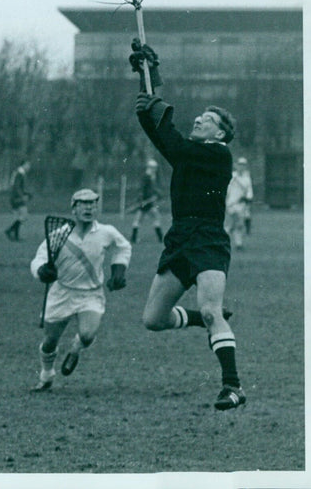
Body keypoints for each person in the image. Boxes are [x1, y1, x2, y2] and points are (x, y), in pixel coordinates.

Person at [131, 42, 245, 411]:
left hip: (209, 238)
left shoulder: (218, 154)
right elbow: (163, 137)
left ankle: (232, 386)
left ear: (220, 133)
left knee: (213, 310)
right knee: (153, 319)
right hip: (180, 238)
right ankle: (201, 319)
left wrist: (159, 106)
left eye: (207, 120)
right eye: (198, 117)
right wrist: (149, 79)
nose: (198, 120)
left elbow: (173, 141)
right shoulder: (192, 152)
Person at [30, 188, 131, 391]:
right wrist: (42, 271)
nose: (89, 208)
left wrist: (118, 271)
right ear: (73, 208)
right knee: (50, 342)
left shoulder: (106, 232)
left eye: (93, 204)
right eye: (83, 204)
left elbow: (123, 247)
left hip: (91, 293)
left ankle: (76, 348)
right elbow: (39, 259)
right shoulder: (58, 235)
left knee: (87, 335)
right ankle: (47, 374)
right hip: (62, 292)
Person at [130, 159, 163, 244]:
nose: (155, 169)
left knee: (139, 219)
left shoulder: (151, 176)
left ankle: (134, 238)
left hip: (148, 202)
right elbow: (141, 189)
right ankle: (160, 238)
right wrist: (141, 200)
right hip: (145, 202)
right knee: (154, 217)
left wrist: (156, 194)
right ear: (150, 167)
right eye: (154, 167)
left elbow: (151, 189)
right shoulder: (146, 176)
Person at [225, 157, 254, 246]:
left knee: (238, 225)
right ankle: (232, 243)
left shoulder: (247, 178)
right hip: (231, 204)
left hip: (241, 205)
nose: (241, 167)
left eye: (243, 165)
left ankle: (238, 243)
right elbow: (227, 190)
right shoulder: (232, 176)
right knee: (233, 224)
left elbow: (249, 190)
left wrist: (248, 197)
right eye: (240, 165)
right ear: (236, 166)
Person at [5, 160, 32, 241]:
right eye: (28, 165)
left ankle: (15, 236)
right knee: (24, 215)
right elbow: (17, 187)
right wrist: (22, 196)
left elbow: (17, 186)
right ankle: (9, 231)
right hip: (17, 198)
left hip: (14, 197)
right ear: (23, 165)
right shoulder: (20, 174)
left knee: (18, 217)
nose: (29, 167)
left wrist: (26, 193)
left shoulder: (18, 173)